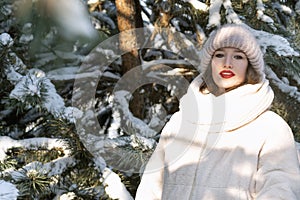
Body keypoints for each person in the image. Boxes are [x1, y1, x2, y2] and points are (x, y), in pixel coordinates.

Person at [135, 23, 300, 199]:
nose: (227, 63)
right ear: (210, 63)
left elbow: (281, 190)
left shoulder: (270, 127)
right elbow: (151, 187)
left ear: (249, 66)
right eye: (219, 55)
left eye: (238, 57)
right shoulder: (179, 122)